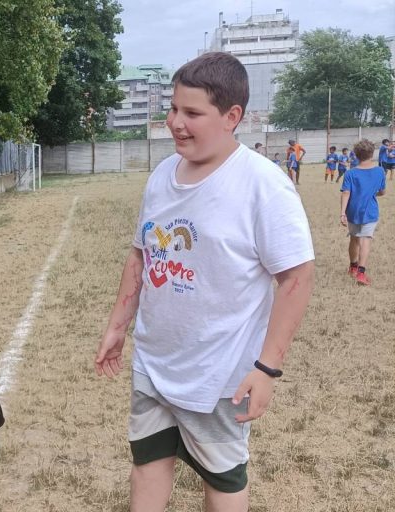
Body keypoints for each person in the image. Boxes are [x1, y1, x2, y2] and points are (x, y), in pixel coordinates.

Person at [94, 52, 314, 512]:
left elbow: (296, 276)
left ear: (232, 116)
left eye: (192, 113)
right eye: (174, 108)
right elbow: (142, 252)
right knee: (147, 463)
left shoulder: (264, 185)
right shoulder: (160, 177)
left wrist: (268, 367)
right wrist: (119, 324)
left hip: (219, 378)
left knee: (223, 481)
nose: (176, 122)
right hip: (154, 365)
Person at [341, 139, 387, 286]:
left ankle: (352, 267)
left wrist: (342, 213)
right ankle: (361, 273)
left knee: (354, 239)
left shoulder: (350, 173)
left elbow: (346, 193)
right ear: (372, 154)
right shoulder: (379, 171)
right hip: (370, 212)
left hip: (352, 212)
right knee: (365, 240)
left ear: (356, 155)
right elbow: (382, 192)